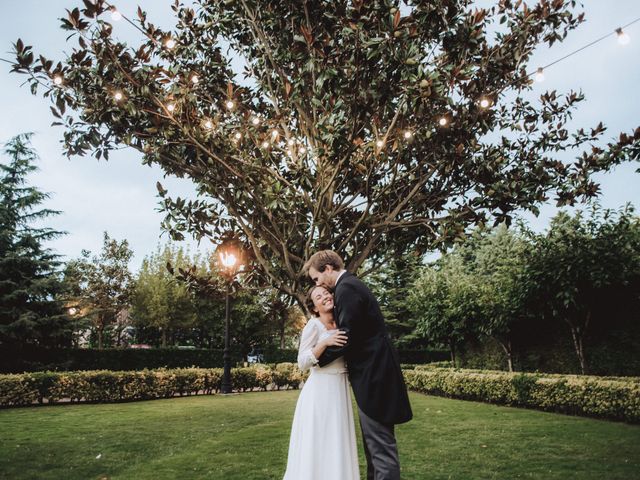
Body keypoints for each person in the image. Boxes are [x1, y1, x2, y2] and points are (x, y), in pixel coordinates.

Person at [305, 250, 413, 480]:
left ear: (328, 269)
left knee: (381, 451)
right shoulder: (350, 285)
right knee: (373, 449)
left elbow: (347, 336)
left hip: (374, 378)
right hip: (375, 376)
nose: (319, 284)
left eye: (317, 278)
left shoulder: (346, 288)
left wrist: (317, 360)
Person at [283, 285, 360, 480]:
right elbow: (302, 362)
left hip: (340, 388)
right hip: (319, 391)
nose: (325, 296)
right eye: (319, 296)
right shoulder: (313, 325)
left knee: (338, 440)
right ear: (314, 307)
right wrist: (324, 343)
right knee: (319, 441)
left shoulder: (342, 322)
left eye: (326, 293)